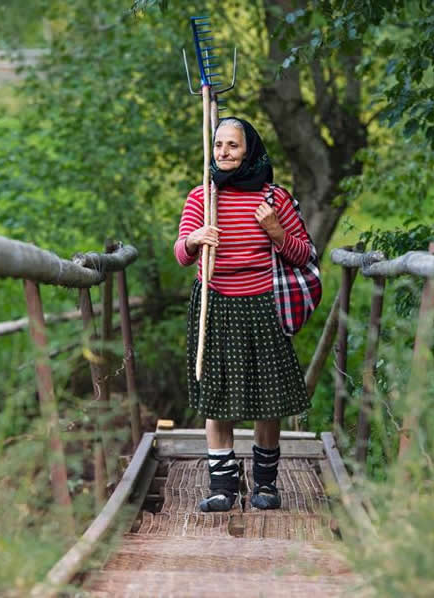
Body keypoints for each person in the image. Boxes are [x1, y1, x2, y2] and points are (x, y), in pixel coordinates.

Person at [173, 116, 313, 512]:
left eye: (233, 145)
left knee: (267, 399)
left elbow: (304, 255)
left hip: (263, 304)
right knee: (215, 397)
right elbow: (181, 255)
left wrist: (276, 231)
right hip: (214, 303)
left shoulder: (275, 198)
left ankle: (265, 485)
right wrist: (195, 239)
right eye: (218, 145)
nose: (224, 153)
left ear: (249, 148)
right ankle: (223, 487)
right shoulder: (202, 197)